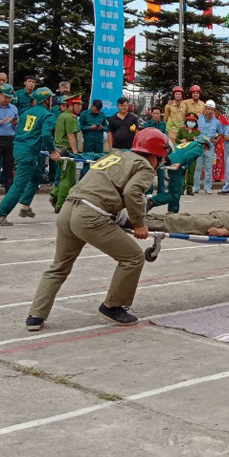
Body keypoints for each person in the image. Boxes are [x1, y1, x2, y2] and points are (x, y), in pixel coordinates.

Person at [26, 128, 168, 330]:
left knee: (59, 266)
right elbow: (132, 193)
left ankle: (35, 315)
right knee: (133, 257)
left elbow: (103, 186)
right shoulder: (144, 166)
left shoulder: (116, 155)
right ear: (157, 154)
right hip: (91, 216)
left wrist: (118, 215)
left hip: (68, 210)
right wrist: (139, 223)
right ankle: (112, 307)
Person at [0, 87, 57, 226]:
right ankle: (0, 214)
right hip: (28, 153)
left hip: (19, 148)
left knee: (36, 177)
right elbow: (46, 135)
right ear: (46, 100)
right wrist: (53, 151)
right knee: (19, 186)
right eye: (51, 98)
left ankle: (25, 207)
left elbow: (20, 130)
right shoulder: (47, 114)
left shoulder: (27, 112)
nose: (52, 100)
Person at [149, 136, 209, 214]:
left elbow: (171, 151)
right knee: (174, 194)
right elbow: (190, 155)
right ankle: (151, 202)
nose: (206, 151)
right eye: (207, 149)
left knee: (175, 191)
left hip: (170, 163)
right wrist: (180, 163)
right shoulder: (199, 147)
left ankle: (172, 211)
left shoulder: (187, 144)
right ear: (204, 145)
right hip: (177, 166)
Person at [138, 210, 229, 240]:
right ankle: (137, 217)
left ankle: (135, 222)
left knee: (173, 223)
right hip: (212, 217)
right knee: (173, 218)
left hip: (216, 223)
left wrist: (226, 232)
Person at [52, 95, 83, 213]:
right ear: (71, 105)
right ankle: (60, 205)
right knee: (68, 179)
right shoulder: (70, 118)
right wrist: (75, 153)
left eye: (80, 105)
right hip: (66, 151)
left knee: (62, 176)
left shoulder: (62, 115)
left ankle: (54, 194)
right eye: (77, 105)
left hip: (58, 148)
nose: (80, 107)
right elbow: (71, 136)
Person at [192, 102, 224, 195]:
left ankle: (208, 187)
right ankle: (196, 187)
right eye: (208, 109)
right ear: (205, 109)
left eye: (211, 109)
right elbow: (193, 129)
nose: (209, 111)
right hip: (199, 146)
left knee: (209, 168)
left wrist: (216, 140)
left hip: (210, 148)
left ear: (214, 111)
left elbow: (221, 133)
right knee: (197, 167)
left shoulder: (217, 122)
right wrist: (194, 137)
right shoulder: (198, 119)